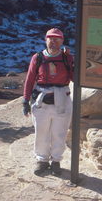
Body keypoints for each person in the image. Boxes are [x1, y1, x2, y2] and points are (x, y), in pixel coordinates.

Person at [22, 28, 74, 176]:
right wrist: (25, 100)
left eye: (57, 39)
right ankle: (42, 160)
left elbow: (74, 78)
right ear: (46, 40)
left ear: (62, 41)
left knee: (59, 132)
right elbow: (30, 79)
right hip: (41, 100)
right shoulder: (38, 58)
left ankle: (56, 161)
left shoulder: (67, 58)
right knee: (41, 132)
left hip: (62, 99)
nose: (53, 41)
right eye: (50, 38)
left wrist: (70, 62)